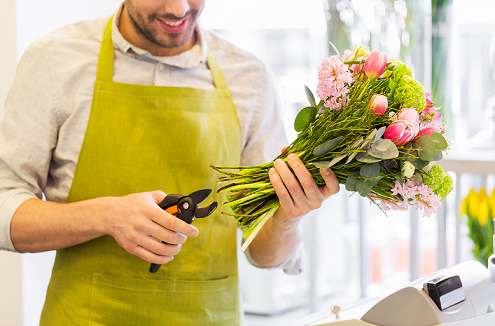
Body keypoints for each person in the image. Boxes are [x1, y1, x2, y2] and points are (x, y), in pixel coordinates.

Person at [0, 1, 339, 325]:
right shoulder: (54, 61)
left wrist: (286, 220)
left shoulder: (250, 78)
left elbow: (265, 255)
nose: (178, 9)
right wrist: (105, 216)